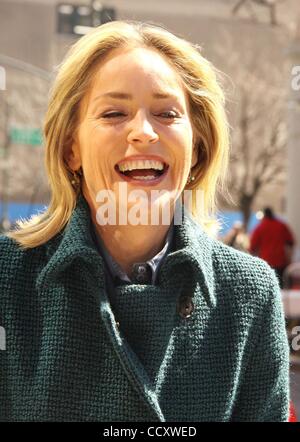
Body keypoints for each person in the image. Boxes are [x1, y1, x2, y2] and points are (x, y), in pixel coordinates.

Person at [0, 21, 289, 422]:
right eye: (114, 112)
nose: (143, 132)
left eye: (166, 113)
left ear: (198, 147)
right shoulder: (7, 278)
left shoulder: (249, 293)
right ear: (71, 149)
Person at [250, 207, 295, 288]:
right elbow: (291, 242)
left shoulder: (260, 227)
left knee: (268, 287)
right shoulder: (281, 225)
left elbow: (252, 247)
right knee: (281, 287)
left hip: (266, 262)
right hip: (281, 260)